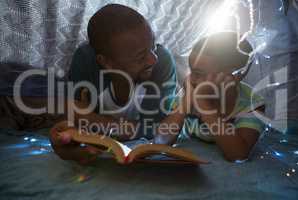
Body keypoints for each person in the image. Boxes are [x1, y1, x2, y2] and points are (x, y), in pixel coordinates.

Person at [50, 4, 193, 165]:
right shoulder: (85, 60)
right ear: (106, 62)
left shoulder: (162, 62)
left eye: (152, 46)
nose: (153, 59)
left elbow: (159, 130)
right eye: (140, 57)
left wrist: (94, 120)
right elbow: (74, 117)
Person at [155, 32, 266, 162]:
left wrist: (203, 104)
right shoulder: (190, 92)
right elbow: (160, 141)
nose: (190, 78)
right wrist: (186, 101)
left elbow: (238, 155)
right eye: (191, 70)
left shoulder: (252, 104)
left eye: (198, 73)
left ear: (235, 75)